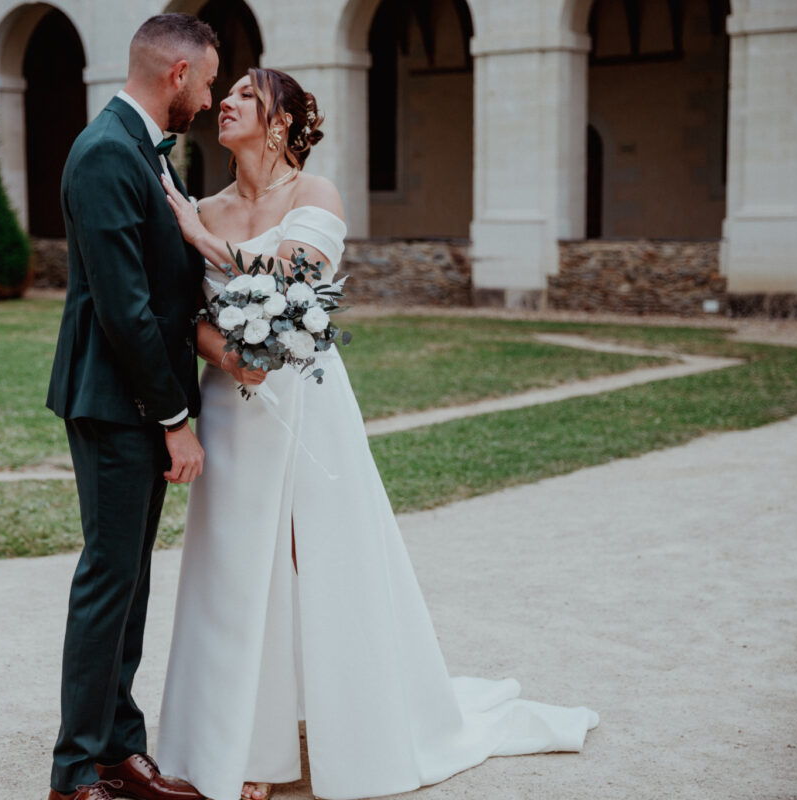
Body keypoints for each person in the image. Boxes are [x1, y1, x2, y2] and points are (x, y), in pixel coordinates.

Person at [154, 68, 600, 800]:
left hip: (307, 402)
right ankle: (250, 752)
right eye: (223, 91)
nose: (225, 102)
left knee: (321, 556)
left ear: (278, 121)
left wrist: (202, 241)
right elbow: (182, 314)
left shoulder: (313, 194)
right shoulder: (199, 203)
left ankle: (345, 725)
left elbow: (298, 277)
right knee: (237, 570)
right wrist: (225, 351)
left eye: (243, 94)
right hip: (234, 407)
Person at [44, 14, 220, 800]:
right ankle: (73, 772)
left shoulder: (145, 152)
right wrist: (175, 418)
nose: (212, 100)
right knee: (109, 578)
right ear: (177, 73)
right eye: (210, 82)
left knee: (131, 579)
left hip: (133, 399)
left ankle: (118, 747)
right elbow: (125, 309)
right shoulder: (107, 154)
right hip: (117, 402)